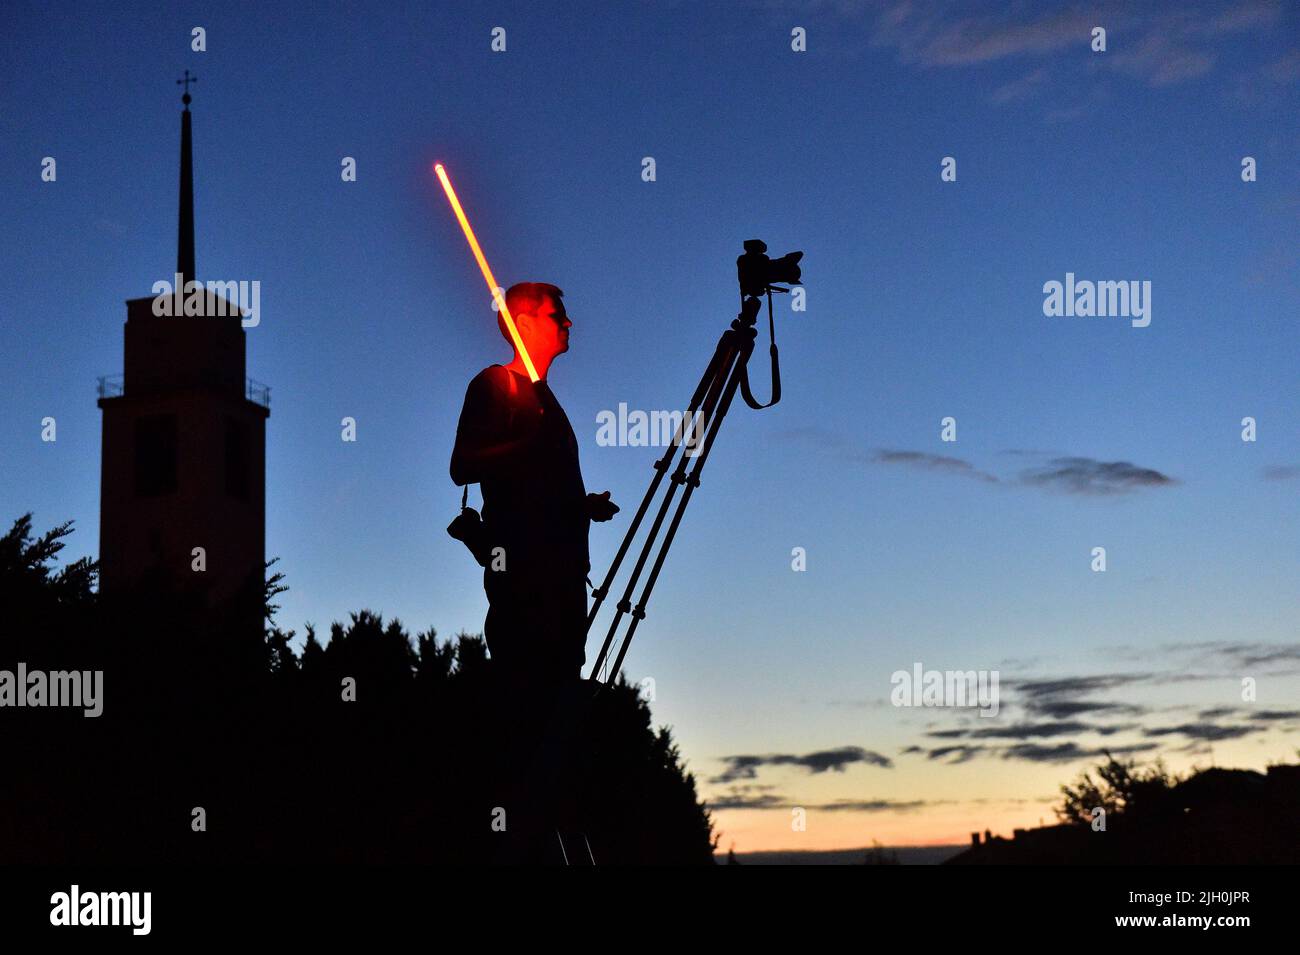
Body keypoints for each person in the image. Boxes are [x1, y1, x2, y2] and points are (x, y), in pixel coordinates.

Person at [450, 282, 619, 686]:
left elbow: (535, 486)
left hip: (565, 586)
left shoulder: (546, 399)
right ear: (524, 323)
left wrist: (582, 506)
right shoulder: (495, 383)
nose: (568, 321)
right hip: (524, 589)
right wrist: (527, 446)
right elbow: (463, 465)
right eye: (556, 315)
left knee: (558, 702)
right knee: (530, 703)